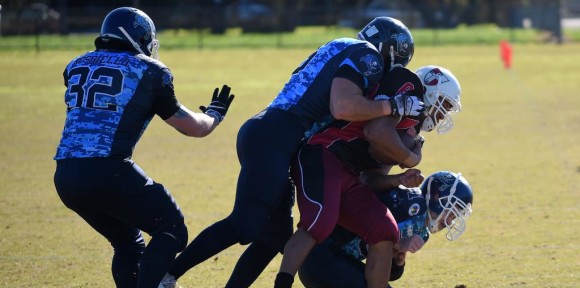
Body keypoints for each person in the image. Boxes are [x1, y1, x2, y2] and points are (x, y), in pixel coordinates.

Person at [159, 17, 421, 288]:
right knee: (244, 223)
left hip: (272, 133)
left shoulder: (341, 45)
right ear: (391, 49)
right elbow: (342, 106)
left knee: (274, 237)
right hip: (276, 136)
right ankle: (168, 275)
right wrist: (393, 105)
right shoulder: (368, 55)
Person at [52, 7, 235, 288]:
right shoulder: (148, 70)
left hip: (65, 175)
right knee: (172, 228)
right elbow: (193, 128)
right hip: (107, 169)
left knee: (127, 242)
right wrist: (215, 114)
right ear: (137, 35)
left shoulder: (76, 64)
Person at [274, 64, 462, 288]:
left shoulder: (410, 130)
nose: (442, 116)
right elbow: (377, 133)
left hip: (348, 174)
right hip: (328, 154)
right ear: (431, 90)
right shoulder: (408, 88)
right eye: (444, 105)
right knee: (318, 223)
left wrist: (397, 180)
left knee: (385, 230)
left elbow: (370, 179)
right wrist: (412, 159)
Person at [297, 170, 474, 288]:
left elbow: (386, 272)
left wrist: (398, 260)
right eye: (453, 211)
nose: (451, 221)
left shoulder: (422, 231)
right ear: (437, 196)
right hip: (322, 256)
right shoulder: (411, 202)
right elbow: (369, 231)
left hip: (338, 261)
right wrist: (397, 242)